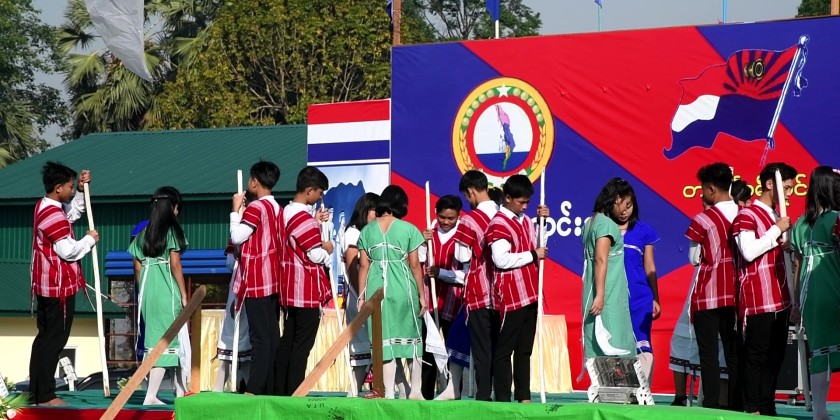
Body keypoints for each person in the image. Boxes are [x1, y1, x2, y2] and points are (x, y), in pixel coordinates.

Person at [29, 162, 98, 406]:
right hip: (57, 286)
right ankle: (46, 395)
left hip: (48, 284)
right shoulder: (52, 215)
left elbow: (72, 214)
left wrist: (80, 190)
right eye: (69, 186)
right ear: (58, 188)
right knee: (54, 339)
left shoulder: (47, 207)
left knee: (45, 338)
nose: (71, 190)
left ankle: (38, 392)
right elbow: (68, 251)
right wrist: (89, 240)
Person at [733, 162, 797, 416]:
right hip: (758, 299)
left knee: (776, 357)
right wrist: (776, 231)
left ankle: (768, 406)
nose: (790, 194)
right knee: (756, 356)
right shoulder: (746, 215)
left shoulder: (777, 216)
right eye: (787, 188)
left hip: (781, 299)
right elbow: (748, 252)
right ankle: (752, 409)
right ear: (770, 184)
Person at [357, 185, 427, 399]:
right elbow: (415, 265)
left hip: (376, 289)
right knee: (412, 338)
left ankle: (389, 392)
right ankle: (416, 390)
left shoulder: (366, 231)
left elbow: (363, 266)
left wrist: (361, 295)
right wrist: (422, 295)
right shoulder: (409, 229)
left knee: (383, 340)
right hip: (403, 286)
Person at [487, 174, 549, 403]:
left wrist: (542, 223)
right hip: (510, 295)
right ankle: (503, 398)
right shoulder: (499, 223)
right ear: (508, 198)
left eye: (527, 202)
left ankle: (524, 396)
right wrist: (532, 255)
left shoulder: (526, 221)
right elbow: (501, 260)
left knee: (524, 350)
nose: (524, 206)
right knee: (505, 350)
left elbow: (540, 246)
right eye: (521, 202)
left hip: (530, 292)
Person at [685, 163, 740, 410]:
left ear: (710, 189)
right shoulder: (745, 214)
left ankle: (711, 405)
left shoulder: (702, 219)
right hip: (737, 294)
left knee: (709, 355)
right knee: (734, 352)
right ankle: (737, 405)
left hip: (708, 294)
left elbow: (693, 258)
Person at [129, 186, 190, 405]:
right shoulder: (173, 232)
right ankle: (152, 395)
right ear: (173, 207)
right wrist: (184, 294)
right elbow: (175, 265)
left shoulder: (142, 234)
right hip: (167, 292)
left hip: (147, 293)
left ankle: (178, 392)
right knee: (170, 341)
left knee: (155, 340)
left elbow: (137, 266)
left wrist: (144, 290)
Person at [276, 166, 333, 396]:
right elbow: (314, 254)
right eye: (319, 192)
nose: (320, 197)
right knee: (302, 345)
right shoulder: (304, 219)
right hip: (306, 288)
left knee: (288, 340)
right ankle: (296, 389)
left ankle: (280, 389)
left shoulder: (284, 213)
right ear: (309, 190)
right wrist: (327, 249)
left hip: (288, 286)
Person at [790, 166, 840, 420]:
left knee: (820, 350)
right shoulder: (836, 219)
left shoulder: (800, 223)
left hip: (810, 294)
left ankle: (819, 410)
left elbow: (797, 267)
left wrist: (796, 303)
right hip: (833, 288)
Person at [229, 161, 282, 396]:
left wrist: (235, 212)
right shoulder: (277, 207)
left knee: (259, 338)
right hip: (273, 278)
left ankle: (254, 388)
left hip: (256, 279)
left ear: (254, 182)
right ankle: (270, 386)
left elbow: (238, 236)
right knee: (271, 336)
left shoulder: (256, 208)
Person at [452, 170, 499, 401]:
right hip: (505, 291)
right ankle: (502, 394)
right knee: (500, 348)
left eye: (466, 196)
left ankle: (483, 395)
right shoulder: (505, 214)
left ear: (470, 191)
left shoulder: (469, 220)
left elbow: (461, 256)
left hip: (480, 290)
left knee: (481, 348)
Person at [582, 178, 636, 362]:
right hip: (608, 297)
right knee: (614, 346)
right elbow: (600, 259)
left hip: (595, 293)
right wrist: (600, 296)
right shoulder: (606, 224)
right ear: (616, 199)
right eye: (625, 204)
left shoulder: (591, 222)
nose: (626, 210)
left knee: (599, 350)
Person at [419, 195, 467, 400]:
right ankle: (425, 394)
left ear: (458, 216)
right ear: (436, 213)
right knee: (428, 351)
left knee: (452, 352)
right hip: (429, 304)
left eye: (451, 218)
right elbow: (419, 260)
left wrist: (441, 273)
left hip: (452, 304)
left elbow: (466, 275)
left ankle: (452, 392)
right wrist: (423, 243)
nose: (446, 222)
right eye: (442, 217)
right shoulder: (429, 234)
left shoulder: (463, 237)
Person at [617, 184, 661, 386]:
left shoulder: (644, 231)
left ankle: (643, 391)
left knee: (642, 342)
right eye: (620, 205)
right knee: (617, 345)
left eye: (629, 205)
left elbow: (650, 266)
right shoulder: (605, 229)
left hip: (640, 297)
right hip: (614, 298)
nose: (625, 211)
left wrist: (655, 298)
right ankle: (621, 389)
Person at [342, 192, 379, 396]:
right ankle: (353, 391)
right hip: (359, 297)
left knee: (371, 346)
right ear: (366, 210)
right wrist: (362, 296)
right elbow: (352, 267)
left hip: (369, 298)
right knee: (361, 346)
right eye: (376, 211)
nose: (378, 216)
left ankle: (367, 390)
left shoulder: (369, 233)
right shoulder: (353, 233)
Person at [213, 240, 252, 393]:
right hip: (239, 287)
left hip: (249, 287)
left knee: (246, 340)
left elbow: (230, 262)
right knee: (231, 337)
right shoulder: (238, 235)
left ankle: (248, 387)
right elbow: (230, 262)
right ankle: (220, 387)